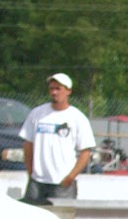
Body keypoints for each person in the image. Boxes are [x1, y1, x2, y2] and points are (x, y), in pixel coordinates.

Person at [19, 72, 95, 204]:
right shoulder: (37, 113)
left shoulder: (77, 118)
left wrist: (71, 176)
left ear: (68, 91)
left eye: (58, 89)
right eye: (52, 88)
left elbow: (86, 151)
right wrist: (31, 171)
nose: (54, 92)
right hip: (37, 181)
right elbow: (28, 144)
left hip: (62, 182)